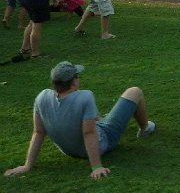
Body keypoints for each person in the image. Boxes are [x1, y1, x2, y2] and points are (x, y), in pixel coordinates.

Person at [3, 61, 155, 179]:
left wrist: (27, 165)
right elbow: (89, 133)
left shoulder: (42, 97)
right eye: (77, 76)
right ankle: (145, 128)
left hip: (69, 150)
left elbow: (38, 132)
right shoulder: (85, 96)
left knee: (96, 117)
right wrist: (96, 167)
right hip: (104, 140)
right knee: (134, 92)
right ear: (73, 82)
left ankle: (103, 120)